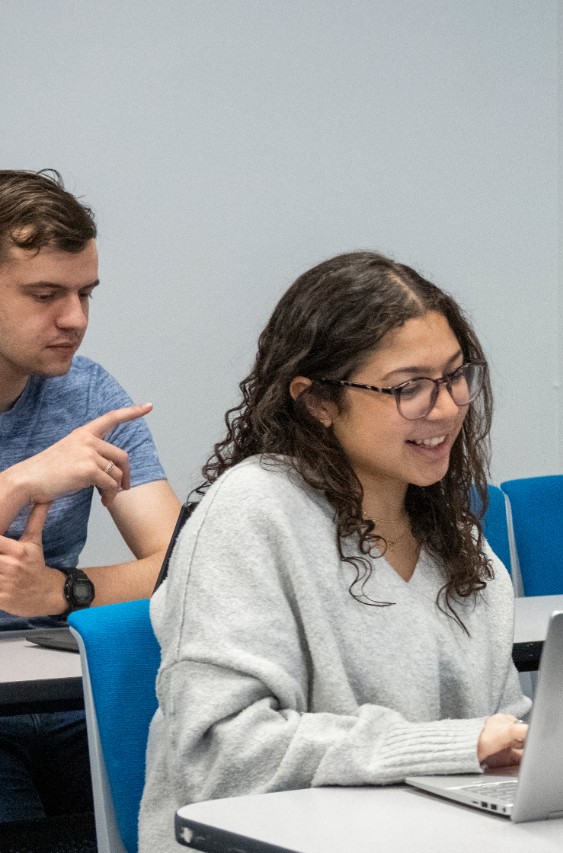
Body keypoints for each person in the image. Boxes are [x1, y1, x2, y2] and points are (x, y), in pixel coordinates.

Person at [138, 252, 529, 853]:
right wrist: (445, 747)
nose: (447, 407)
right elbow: (220, 757)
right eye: (409, 387)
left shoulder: (460, 542)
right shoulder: (251, 511)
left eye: (456, 376)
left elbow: (500, 731)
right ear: (317, 400)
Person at [0, 170, 180, 824]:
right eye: (46, 294)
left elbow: (184, 566)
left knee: (175, 814)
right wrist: (20, 482)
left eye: (85, 294)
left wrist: (60, 589)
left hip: (66, 694)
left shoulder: (91, 395)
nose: (75, 318)